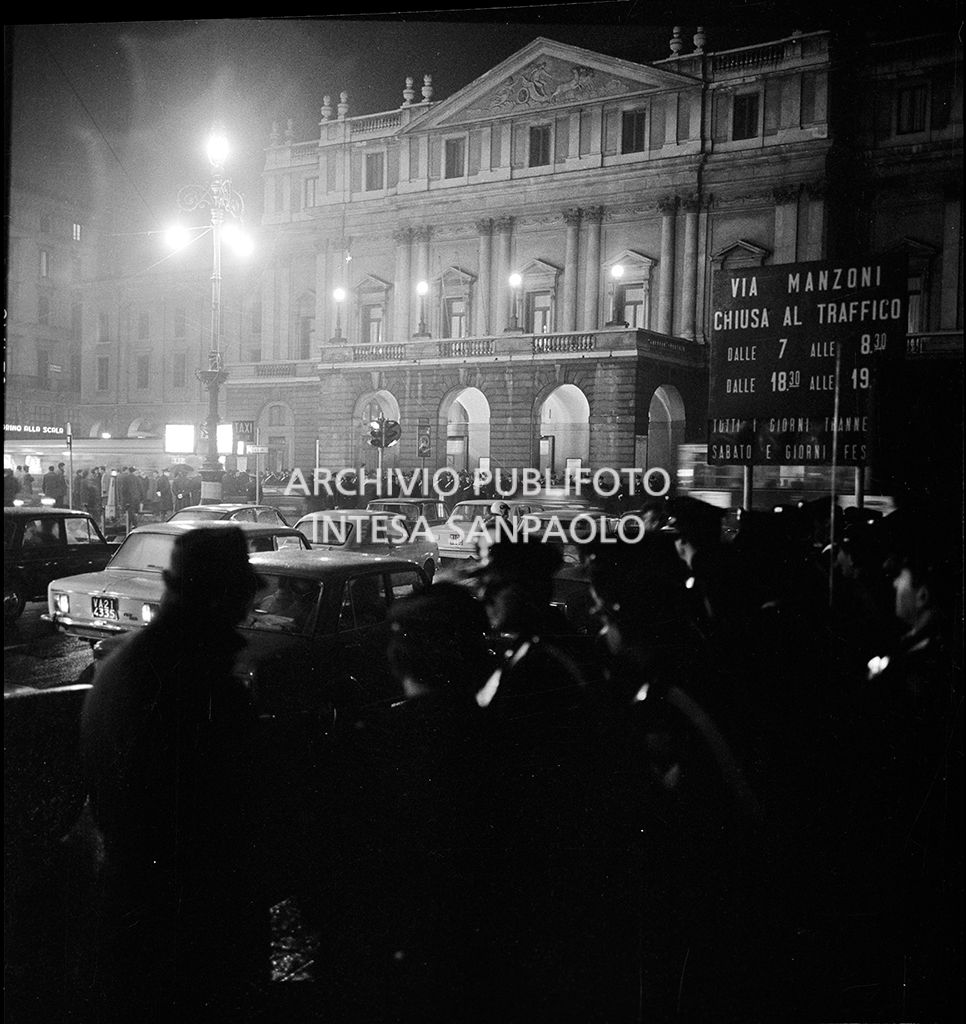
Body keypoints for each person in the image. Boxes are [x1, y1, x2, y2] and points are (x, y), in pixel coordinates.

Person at [79, 527, 271, 1022]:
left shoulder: (134, 663)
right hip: (183, 925)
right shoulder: (197, 681)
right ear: (225, 597)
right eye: (244, 594)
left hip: (137, 908)